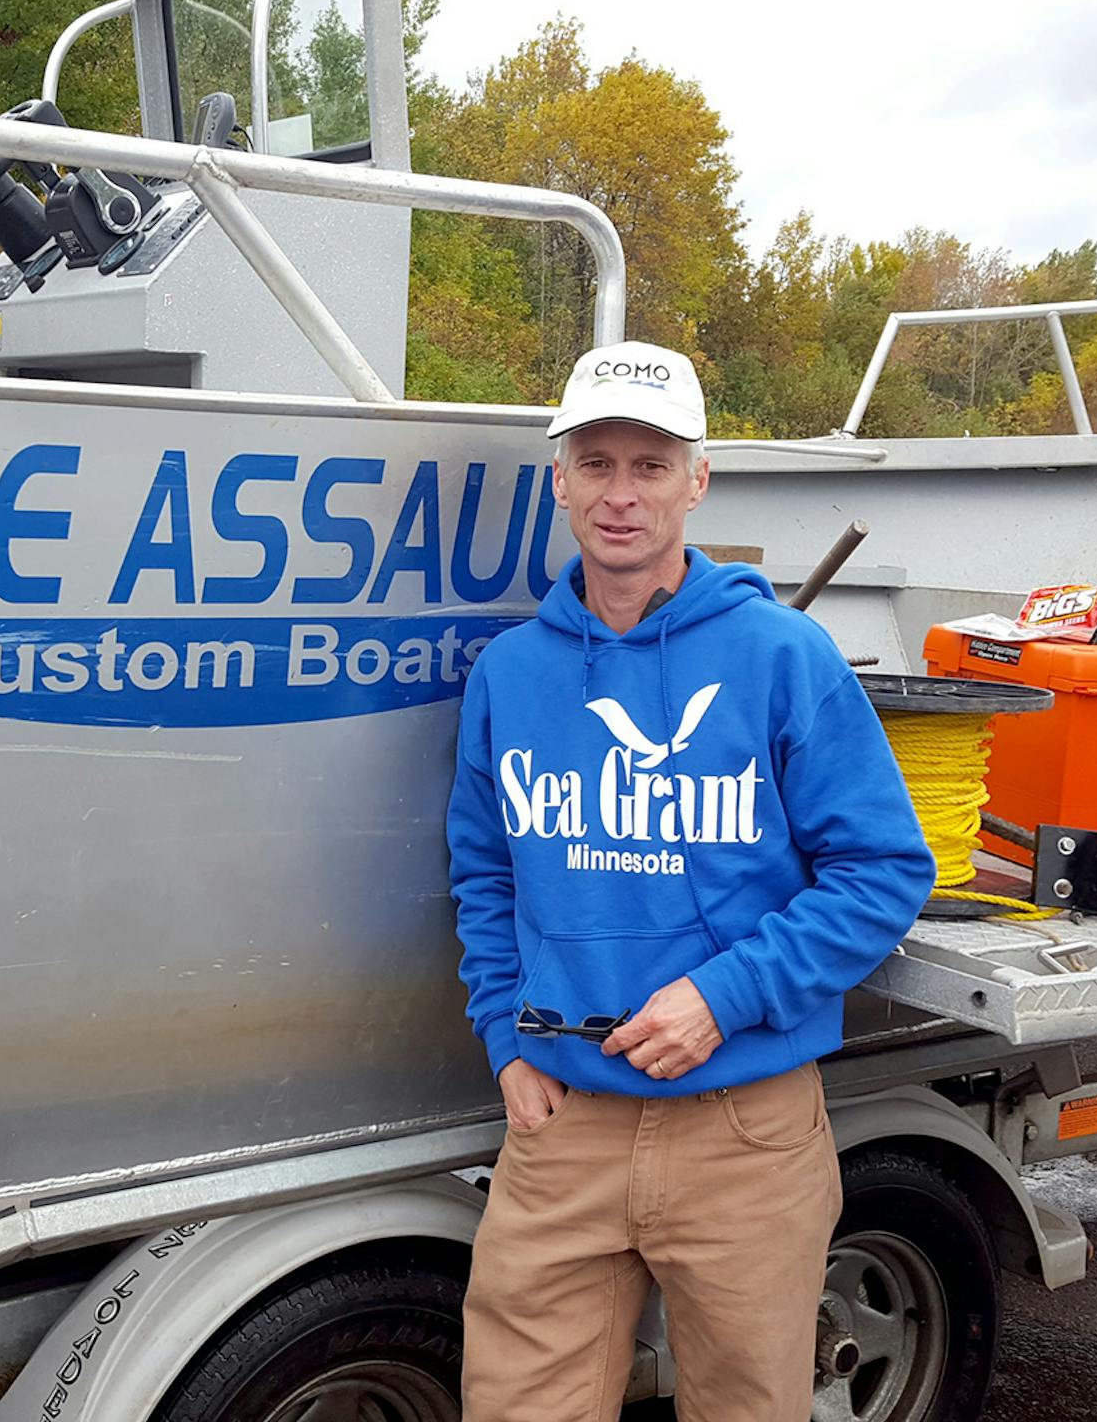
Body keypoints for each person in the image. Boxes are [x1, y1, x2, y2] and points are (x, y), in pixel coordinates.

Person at [445, 338, 936, 1421]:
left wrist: (723, 997)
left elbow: (882, 872)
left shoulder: (782, 656)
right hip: (563, 1124)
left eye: (651, 465)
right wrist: (503, 1041)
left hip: (743, 1130)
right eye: (596, 463)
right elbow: (484, 872)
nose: (621, 494)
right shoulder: (511, 675)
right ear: (560, 479)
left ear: (697, 479)